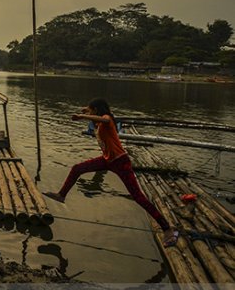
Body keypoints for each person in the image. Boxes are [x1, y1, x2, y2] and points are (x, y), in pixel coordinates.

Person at [43, 98, 179, 247]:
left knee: (138, 197)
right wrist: (85, 111)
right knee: (77, 169)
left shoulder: (107, 119)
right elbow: (92, 113)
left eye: (91, 110)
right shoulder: (98, 121)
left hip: (121, 162)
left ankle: (167, 229)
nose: (89, 112)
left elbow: (105, 119)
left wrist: (83, 116)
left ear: (97, 110)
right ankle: (61, 195)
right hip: (107, 160)